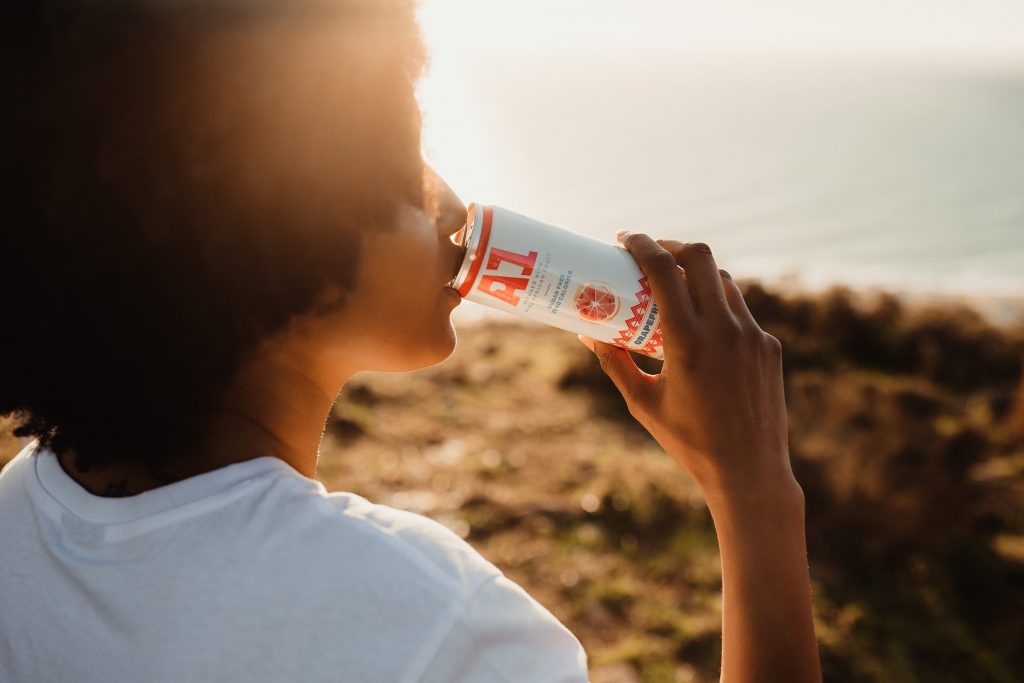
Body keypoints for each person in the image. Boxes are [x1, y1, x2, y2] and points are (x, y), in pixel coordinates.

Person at [0, 1, 821, 681]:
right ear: (282, 228)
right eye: (406, 169)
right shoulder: (431, 625)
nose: (454, 199)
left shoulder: (17, 514)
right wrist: (755, 494)